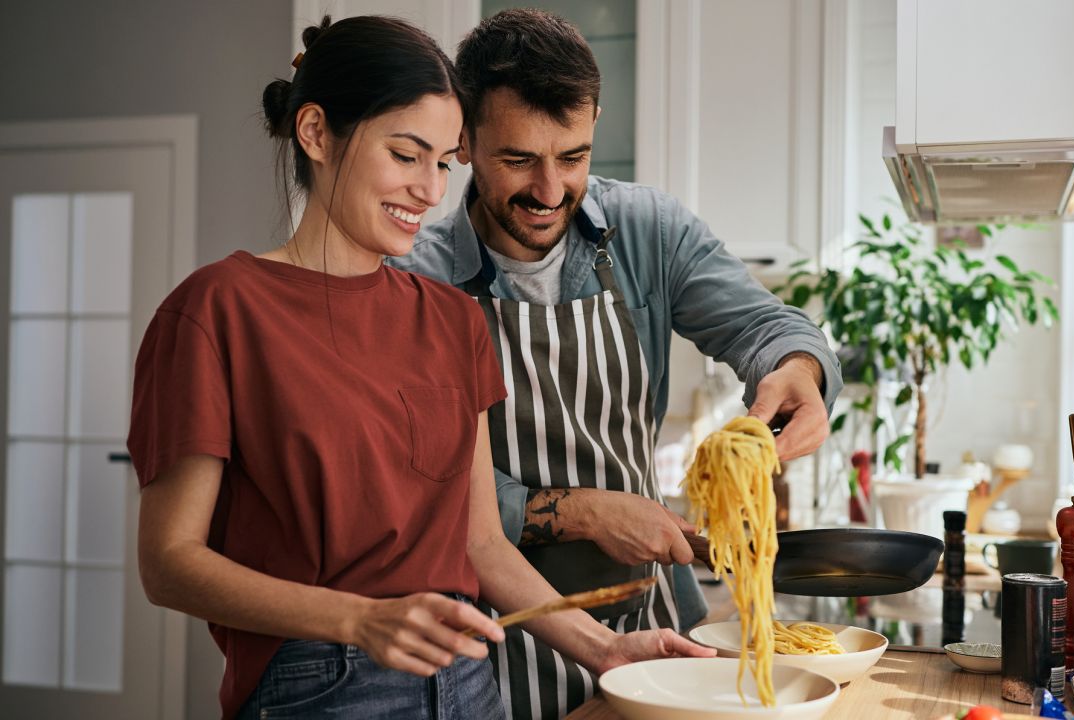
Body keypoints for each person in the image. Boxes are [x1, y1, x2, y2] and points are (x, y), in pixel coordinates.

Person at [128, 15, 711, 720]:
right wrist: (356, 620)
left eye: (443, 162)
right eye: (406, 155)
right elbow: (168, 562)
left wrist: (604, 650)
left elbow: (481, 544)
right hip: (320, 688)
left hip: (468, 685)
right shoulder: (219, 310)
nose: (431, 191)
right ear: (315, 134)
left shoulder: (450, 319)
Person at [389, 9, 843, 719]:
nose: (548, 190)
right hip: (493, 638)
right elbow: (422, 493)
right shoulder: (416, 278)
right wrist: (583, 513)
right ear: (465, 143)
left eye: (573, 156)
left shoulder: (646, 231)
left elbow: (766, 325)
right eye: (518, 160)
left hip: (650, 617)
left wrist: (799, 370)